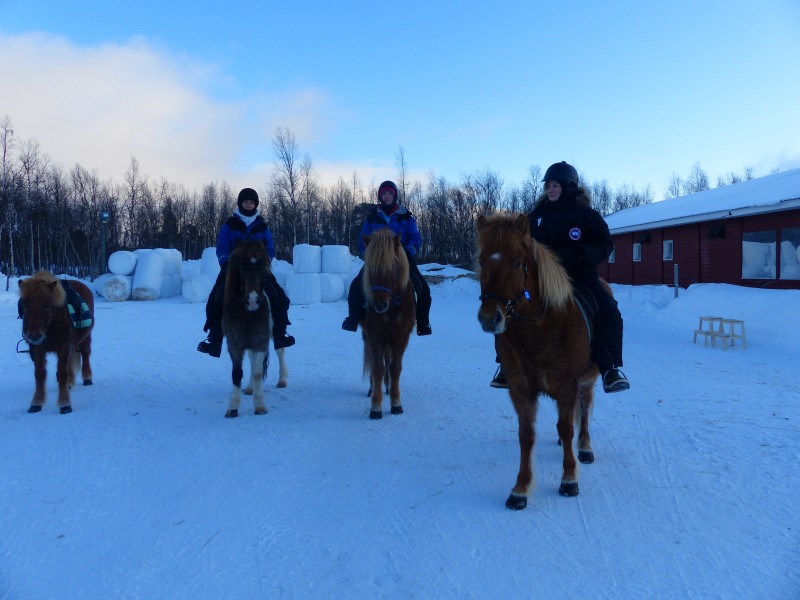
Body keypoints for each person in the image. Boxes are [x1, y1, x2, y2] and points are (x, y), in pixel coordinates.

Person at [490, 161, 630, 393]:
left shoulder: (586, 215)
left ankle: (610, 369)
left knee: (609, 310)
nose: (550, 190)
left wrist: (576, 253)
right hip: (540, 280)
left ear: (569, 186)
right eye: (547, 186)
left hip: (578, 277)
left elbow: (604, 245)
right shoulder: (535, 217)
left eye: (555, 185)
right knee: (506, 305)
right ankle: (505, 365)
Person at [197, 187, 295, 357]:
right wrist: (226, 263)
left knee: (279, 295)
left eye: (252, 202)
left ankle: (280, 333)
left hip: (258, 269)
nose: (249, 205)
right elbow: (222, 246)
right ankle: (215, 338)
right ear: (240, 204)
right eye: (246, 202)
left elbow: (270, 248)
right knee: (216, 296)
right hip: (233, 269)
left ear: (255, 204)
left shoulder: (262, 225)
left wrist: (264, 262)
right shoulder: (229, 224)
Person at [341, 180, 432, 336]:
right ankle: (353, 318)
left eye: (390, 193)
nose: (387, 196)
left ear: (394, 195)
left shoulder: (406, 216)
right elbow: (363, 238)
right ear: (380, 196)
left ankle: (423, 322)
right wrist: (367, 254)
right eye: (384, 193)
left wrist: (409, 250)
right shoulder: (372, 217)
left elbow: (415, 237)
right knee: (356, 284)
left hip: (401, 256)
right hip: (377, 258)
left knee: (421, 285)